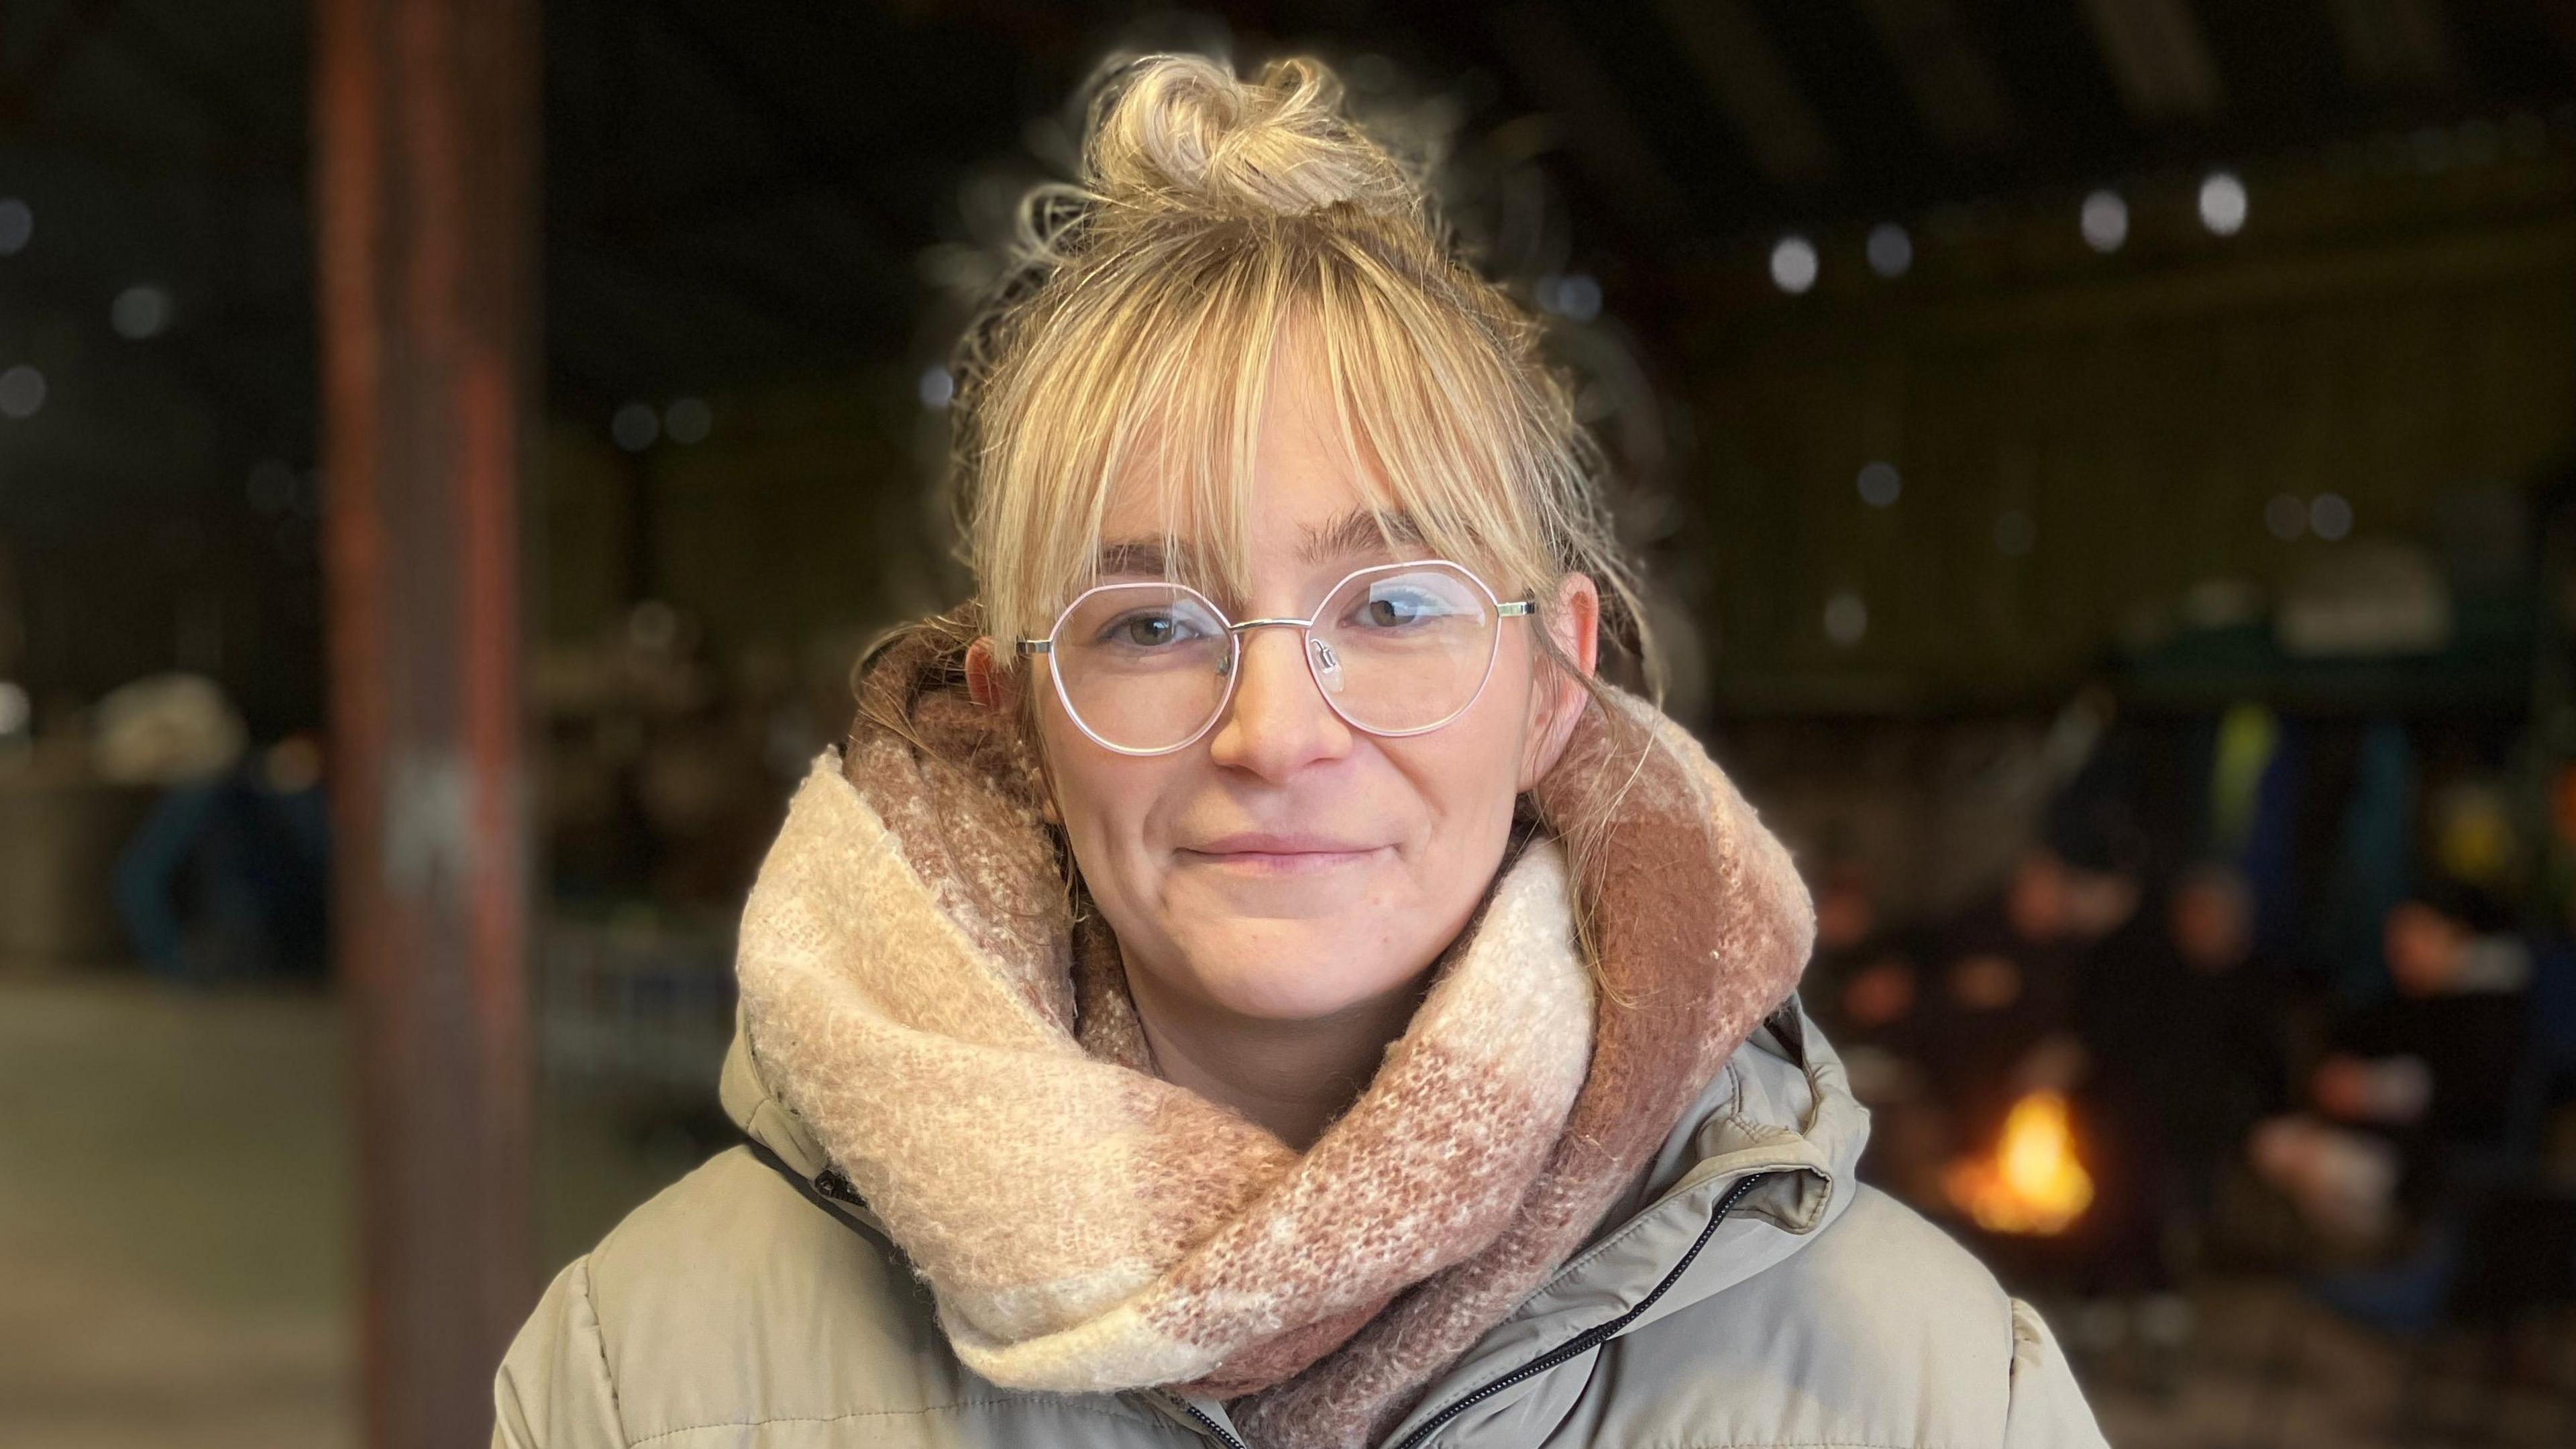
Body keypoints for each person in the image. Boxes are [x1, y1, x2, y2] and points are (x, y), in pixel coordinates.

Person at [492, 53, 2105, 1449]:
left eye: (1395, 603)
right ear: (1018, 714)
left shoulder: (1934, 1386)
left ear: (1553, 676)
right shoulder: (646, 1373)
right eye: (1148, 623)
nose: (1276, 734)